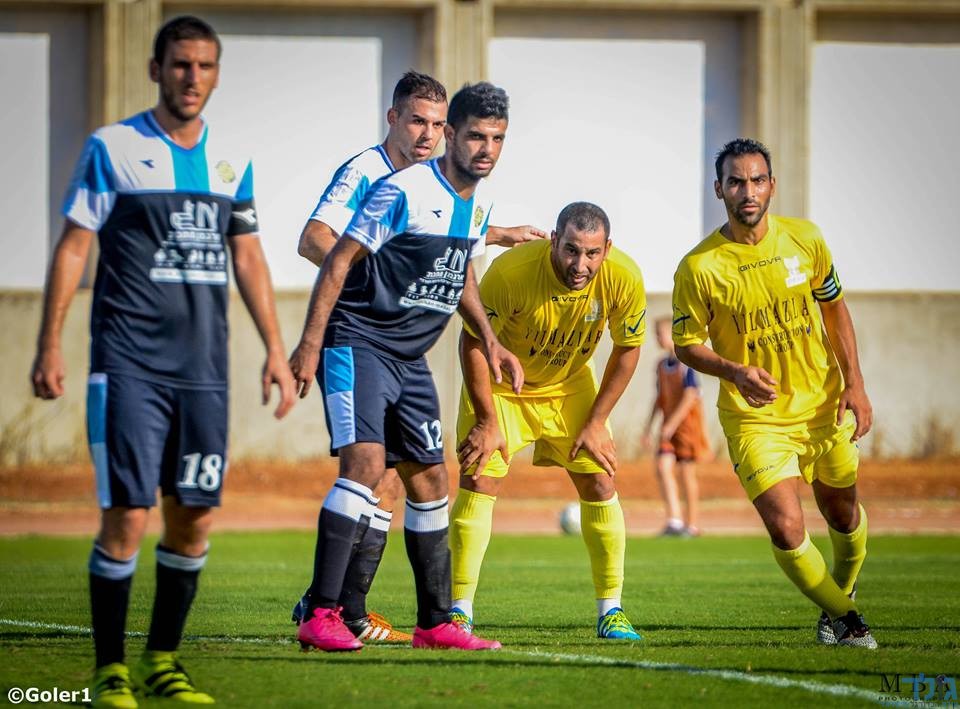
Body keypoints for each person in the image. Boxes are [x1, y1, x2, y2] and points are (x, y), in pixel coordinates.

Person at [29, 15, 297, 708]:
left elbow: (247, 255)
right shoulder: (112, 148)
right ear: (156, 69)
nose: (192, 77)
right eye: (180, 64)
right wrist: (49, 342)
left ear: (217, 74)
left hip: (204, 373)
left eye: (204, 66)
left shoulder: (231, 160)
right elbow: (74, 246)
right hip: (129, 367)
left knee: (194, 518)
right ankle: (109, 670)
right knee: (127, 514)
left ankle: (162, 661)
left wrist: (275, 347)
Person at [290, 72, 546, 644]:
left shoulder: (474, 206)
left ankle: (434, 623)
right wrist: (309, 344)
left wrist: (491, 340)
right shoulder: (398, 188)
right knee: (364, 467)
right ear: (454, 136)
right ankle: (320, 613)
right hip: (360, 342)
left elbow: (460, 274)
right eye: (476, 136)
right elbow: (333, 255)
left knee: (430, 479)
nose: (486, 149)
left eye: (497, 139)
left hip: (410, 358)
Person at [672, 137, 876, 648]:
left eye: (757, 180)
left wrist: (855, 383)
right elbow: (686, 344)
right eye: (736, 182)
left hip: (823, 406)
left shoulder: (806, 239)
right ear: (719, 189)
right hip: (756, 418)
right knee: (786, 526)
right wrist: (734, 372)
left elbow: (835, 310)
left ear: (772, 186)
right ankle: (849, 621)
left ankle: (840, 594)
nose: (748, 191)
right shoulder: (699, 267)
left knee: (843, 514)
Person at [451, 201, 647, 641]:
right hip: (504, 387)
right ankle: (459, 611)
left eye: (592, 253)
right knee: (479, 478)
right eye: (571, 250)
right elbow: (474, 342)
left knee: (600, 482)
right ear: (554, 241)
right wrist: (486, 420)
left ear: (607, 249)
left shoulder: (624, 276)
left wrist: (597, 421)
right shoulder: (511, 272)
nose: (580, 264)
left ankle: (611, 611)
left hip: (569, 386)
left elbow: (628, 349)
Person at [641, 316, 710, 537]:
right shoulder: (661, 365)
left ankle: (692, 524)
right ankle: (674, 520)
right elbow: (659, 397)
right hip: (667, 429)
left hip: (687, 428)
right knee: (663, 466)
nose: (657, 339)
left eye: (660, 334)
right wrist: (648, 428)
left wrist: (671, 424)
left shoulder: (686, 364)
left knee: (686, 474)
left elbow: (691, 395)